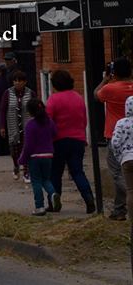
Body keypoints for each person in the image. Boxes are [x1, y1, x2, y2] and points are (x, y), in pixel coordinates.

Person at [46, 69, 95, 214]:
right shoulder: (78, 97)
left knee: (55, 173)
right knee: (77, 171)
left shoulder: (53, 99)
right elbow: (84, 120)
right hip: (77, 140)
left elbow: (48, 122)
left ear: (54, 83)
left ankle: (54, 202)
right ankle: (89, 198)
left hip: (58, 141)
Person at [95, 57, 133, 220]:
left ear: (114, 72)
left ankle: (123, 204)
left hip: (115, 135)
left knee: (118, 173)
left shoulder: (110, 89)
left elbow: (96, 95)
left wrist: (105, 78)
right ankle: (119, 209)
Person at [18, 98, 58, 216]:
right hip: (48, 155)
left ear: (30, 112)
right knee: (46, 179)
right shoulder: (49, 122)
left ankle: (39, 206)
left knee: (36, 181)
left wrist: (22, 159)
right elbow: (55, 133)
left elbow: (28, 145)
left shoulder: (30, 125)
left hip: (35, 157)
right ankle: (53, 193)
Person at [0, 71, 35, 183]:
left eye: (20, 80)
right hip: (12, 125)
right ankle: (16, 166)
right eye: (15, 80)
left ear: (25, 82)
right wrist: (2, 127)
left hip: (27, 126)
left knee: (26, 148)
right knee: (14, 149)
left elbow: (35, 109)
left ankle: (26, 171)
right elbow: (2, 110)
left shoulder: (30, 93)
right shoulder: (7, 93)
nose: (17, 83)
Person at [110, 96, 133, 225]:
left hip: (127, 159)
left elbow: (115, 143)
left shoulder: (121, 123)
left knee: (131, 190)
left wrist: (120, 156)